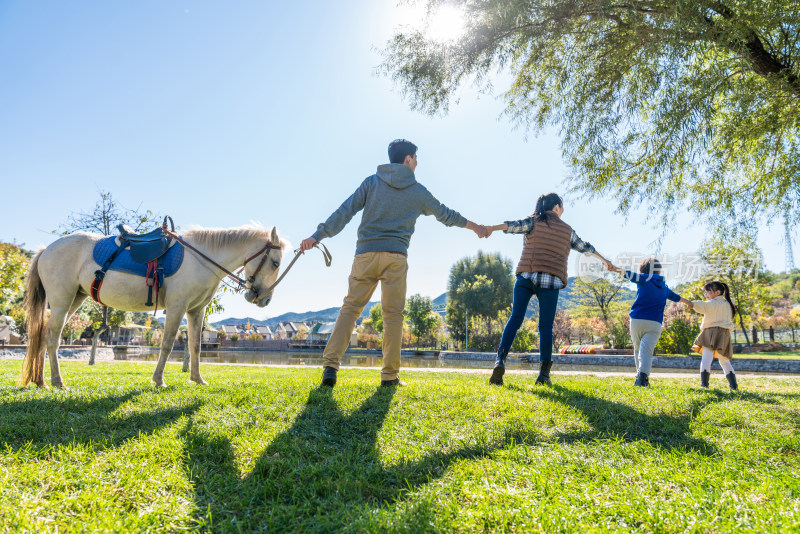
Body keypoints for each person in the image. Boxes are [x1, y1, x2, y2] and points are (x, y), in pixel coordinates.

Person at [301, 139, 489, 388]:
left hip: (365, 256)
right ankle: (389, 377)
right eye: (416, 158)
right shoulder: (418, 190)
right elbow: (445, 214)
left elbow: (345, 211)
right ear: (408, 159)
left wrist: (317, 236)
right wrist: (474, 226)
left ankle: (330, 368)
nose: (417, 163)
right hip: (395, 259)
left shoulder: (372, 182)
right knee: (392, 317)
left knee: (350, 310)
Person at [483, 193, 612, 386]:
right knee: (545, 327)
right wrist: (606, 261)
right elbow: (586, 248)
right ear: (557, 207)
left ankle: (500, 360)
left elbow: (512, 225)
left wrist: (491, 228)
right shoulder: (567, 230)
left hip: (526, 276)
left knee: (515, 318)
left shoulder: (533, 221)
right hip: (550, 279)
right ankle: (543, 374)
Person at [607, 258, 692, 387]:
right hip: (655, 323)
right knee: (646, 350)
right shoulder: (664, 287)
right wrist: (689, 303)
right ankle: (642, 378)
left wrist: (614, 268)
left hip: (637, 320)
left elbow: (627, 273)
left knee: (637, 349)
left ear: (643, 269)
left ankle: (640, 377)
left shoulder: (643, 278)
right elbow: (676, 297)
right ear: (659, 270)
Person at [687, 281, 738, 390]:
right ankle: (734, 386)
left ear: (717, 292)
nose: (706, 295)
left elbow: (694, 304)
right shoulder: (728, 303)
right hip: (724, 334)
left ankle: (704, 385)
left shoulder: (709, 304)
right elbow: (732, 301)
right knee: (724, 361)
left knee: (706, 359)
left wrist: (683, 300)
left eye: (708, 292)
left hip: (709, 333)